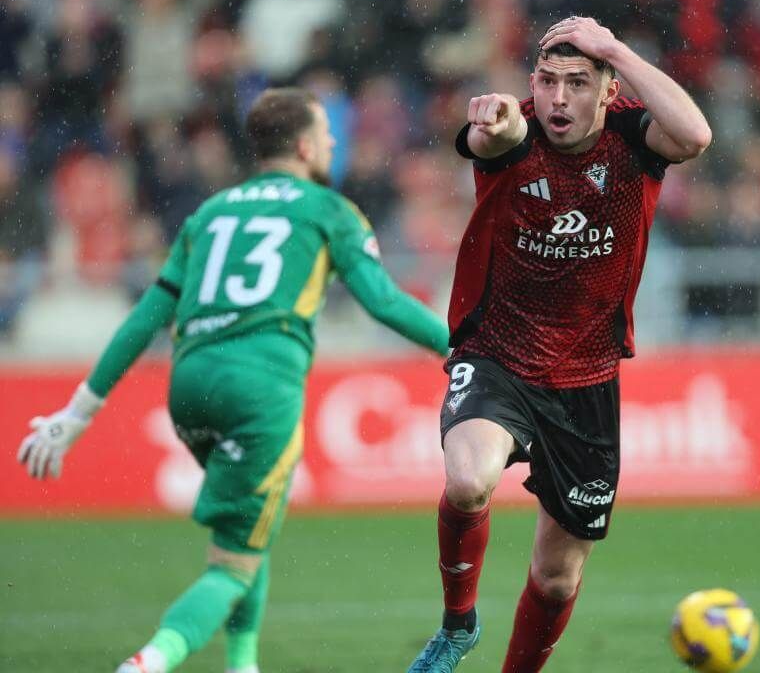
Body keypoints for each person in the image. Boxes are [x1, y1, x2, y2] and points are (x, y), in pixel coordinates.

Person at [16, 88, 450, 673]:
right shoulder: (328, 209)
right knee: (231, 565)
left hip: (189, 385)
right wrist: (470, 349)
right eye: (325, 132)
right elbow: (384, 301)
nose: (333, 141)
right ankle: (150, 661)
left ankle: (242, 663)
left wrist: (76, 414)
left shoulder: (211, 213)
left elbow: (146, 317)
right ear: (302, 145)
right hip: (260, 389)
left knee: (250, 527)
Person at [406, 16, 711, 672]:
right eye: (547, 82)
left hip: (588, 381)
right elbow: (494, 139)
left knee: (556, 578)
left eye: (578, 83)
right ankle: (458, 624)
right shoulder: (516, 131)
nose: (558, 99)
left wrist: (617, 50)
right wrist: (496, 123)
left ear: (609, 90)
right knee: (467, 479)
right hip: (498, 357)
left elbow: (695, 134)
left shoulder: (635, 137)